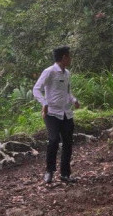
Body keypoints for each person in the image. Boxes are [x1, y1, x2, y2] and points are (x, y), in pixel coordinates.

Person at [33, 46, 80, 184]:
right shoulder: (49, 72)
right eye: (69, 56)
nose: (70, 59)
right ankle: (49, 171)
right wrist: (44, 103)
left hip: (66, 113)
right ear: (64, 57)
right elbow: (36, 89)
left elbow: (67, 92)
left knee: (68, 142)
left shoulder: (67, 73)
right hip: (52, 113)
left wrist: (74, 100)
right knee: (53, 140)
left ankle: (65, 174)